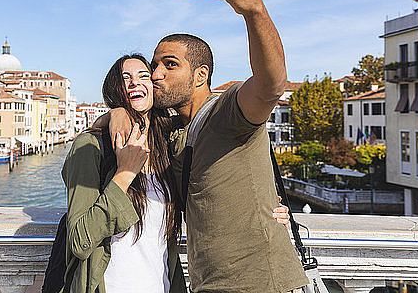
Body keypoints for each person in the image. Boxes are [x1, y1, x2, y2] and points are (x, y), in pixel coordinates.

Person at [107, 0, 309, 292]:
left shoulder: (226, 112)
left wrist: (253, 10)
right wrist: (117, 112)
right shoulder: (171, 132)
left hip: (261, 284)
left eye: (170, 65)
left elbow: (271, 84)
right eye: (155, 65)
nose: (155, 75)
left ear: (200, 76)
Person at [63, 54, 291, 293]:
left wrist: (262, 208)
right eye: (125, 78)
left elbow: (208, 189)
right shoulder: (90, 147)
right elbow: (79, 241)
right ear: (114, 88)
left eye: (143, 76)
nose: (135, 82)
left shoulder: (169, 146)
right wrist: (125, 172)